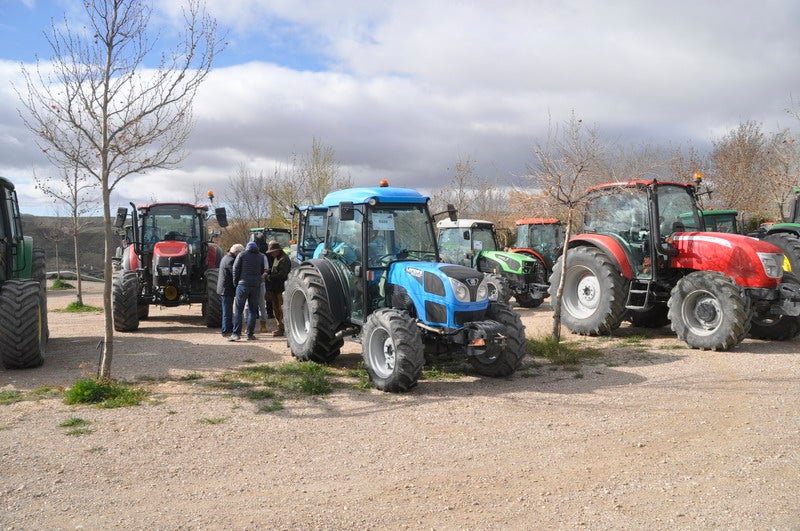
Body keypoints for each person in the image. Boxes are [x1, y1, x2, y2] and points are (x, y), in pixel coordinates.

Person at [230, 241, 265, 341]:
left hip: (243, 284)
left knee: (238, 310)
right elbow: (262, 271)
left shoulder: (242, 254)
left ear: (247, 247)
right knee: (252, 311)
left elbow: (235, 269)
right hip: (256, 286)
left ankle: (236, 334)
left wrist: (236, 283)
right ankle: (250, 334)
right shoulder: (260, 256)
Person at [265, 240, 291, 337]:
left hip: (281, 288)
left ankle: (283, 328)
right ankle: (279, 327)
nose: (271, 254)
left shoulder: (284, 259)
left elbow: (282, 275)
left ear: (277, 250)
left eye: (272, 252)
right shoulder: (277, 258)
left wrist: (270, 277)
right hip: (275, 288)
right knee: (276, 309)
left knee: (281, 309)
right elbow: (274, 269)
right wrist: (268, 272)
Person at [216, 243, 243, 337]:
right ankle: (226, 330)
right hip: (227, 289)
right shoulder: (231, 261)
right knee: (227, 311)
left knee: (227, 310)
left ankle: (227, 329)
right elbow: (234, 273)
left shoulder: (226, 258)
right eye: (240, 253)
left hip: (224, 288)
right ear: (236, 252)